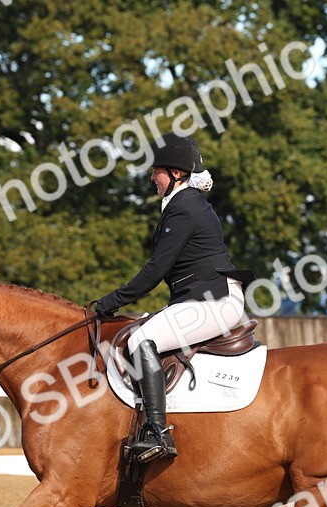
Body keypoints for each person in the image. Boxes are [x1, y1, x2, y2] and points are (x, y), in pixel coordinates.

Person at [94, 133, 254, 464]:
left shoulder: (184, 207)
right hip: (203, 298)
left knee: (141, 340)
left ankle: (157, 432)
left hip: (212, 301)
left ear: (176, 174)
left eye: (158, 171)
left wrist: (112, 301)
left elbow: (156, 269)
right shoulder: (185, 203)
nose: (153, 177)